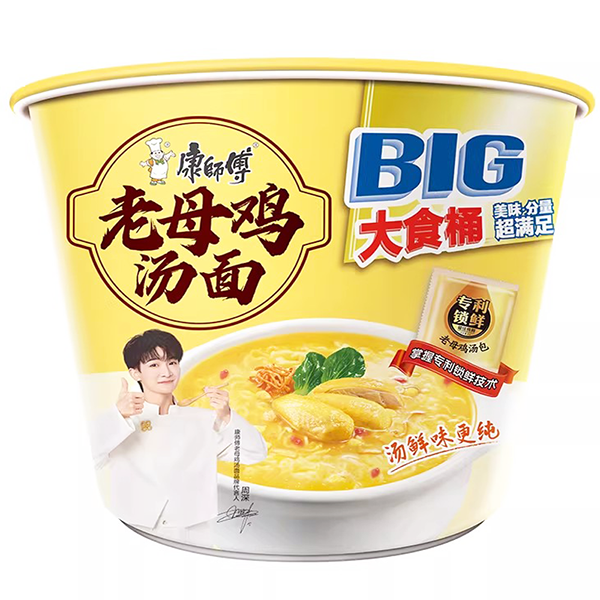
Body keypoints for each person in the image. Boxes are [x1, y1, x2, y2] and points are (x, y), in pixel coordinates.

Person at [89, 329, 268, 545]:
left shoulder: (202, 420)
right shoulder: (122, 421)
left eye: (172, 362)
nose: (166, 372)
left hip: (194, 535)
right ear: (135, 373)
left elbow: (254, 453)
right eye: (154, 365)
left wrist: (227, 415)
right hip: (134, 531)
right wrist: (117, 415)